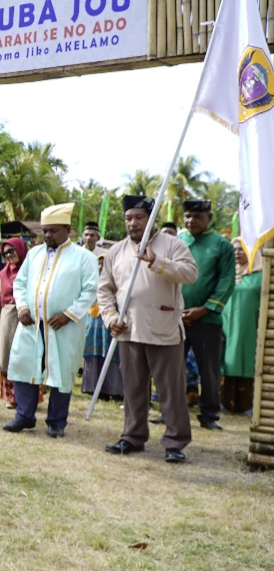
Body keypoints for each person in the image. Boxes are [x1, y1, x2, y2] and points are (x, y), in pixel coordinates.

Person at [99, 195, 197, 463]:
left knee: (171, 390)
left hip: (163, 330)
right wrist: (109, 318)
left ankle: (175, 442)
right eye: (128, 218)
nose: (133, 223)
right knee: (132, 388)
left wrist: (157, 262)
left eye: (139, 218)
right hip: (128, 330)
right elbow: (105, 290)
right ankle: (132, 436)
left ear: (151, 218)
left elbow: (190, 273)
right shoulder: (116, 251)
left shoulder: (172, 245)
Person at [4, 204, 98, 437]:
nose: (47, 235)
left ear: (67, 229)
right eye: (44, 231)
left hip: (63, 327)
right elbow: (20, 283)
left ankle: (56, 422)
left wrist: (69, 314)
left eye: (53, 231)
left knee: (61, 372)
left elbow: (90, 291)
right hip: (32, 325)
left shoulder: (83, 257)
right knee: (25, 366)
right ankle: (24, 416)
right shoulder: (35, 254)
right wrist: (23, 306)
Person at [179, 199, 236, 430]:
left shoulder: (222, 245)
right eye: (188, 216)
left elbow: (226, 282)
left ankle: (209, 415)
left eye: (197, 217)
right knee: (172, 367)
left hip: (208, 319)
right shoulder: (178, 241)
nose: (191, 221)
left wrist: (203, 310)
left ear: (209, 218)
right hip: (177, 318)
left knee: (209, 369)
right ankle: (169, 409)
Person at [221, 238, 262, 415]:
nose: (237, 253)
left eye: (242, 249)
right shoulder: (226, 272)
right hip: (225, 324)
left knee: (246, 359)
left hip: (249, 325)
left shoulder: (261, 273)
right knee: (225, 360)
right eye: (235, 249)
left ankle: (246, 405)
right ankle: (224, 402)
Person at [80, 222, 121, 398]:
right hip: (83, 306)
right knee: (87, 347)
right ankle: (88, 381)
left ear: (98, 237)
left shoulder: (104, 255)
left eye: (92, 235)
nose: (89, 238)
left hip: (104, 308)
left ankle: (109, 387)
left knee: (106, 348)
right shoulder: (77, 254)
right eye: (86, 234)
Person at [0, 237, 29, 408]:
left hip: (27, 319)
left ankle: (27, 396)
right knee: (6, 357)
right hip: (7, 319)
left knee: (25, 356)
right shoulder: (3, 273)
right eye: (5, 253)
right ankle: (12, 397)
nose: (8, 255)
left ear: (20, 249)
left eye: (11, 251)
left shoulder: (32, 271)